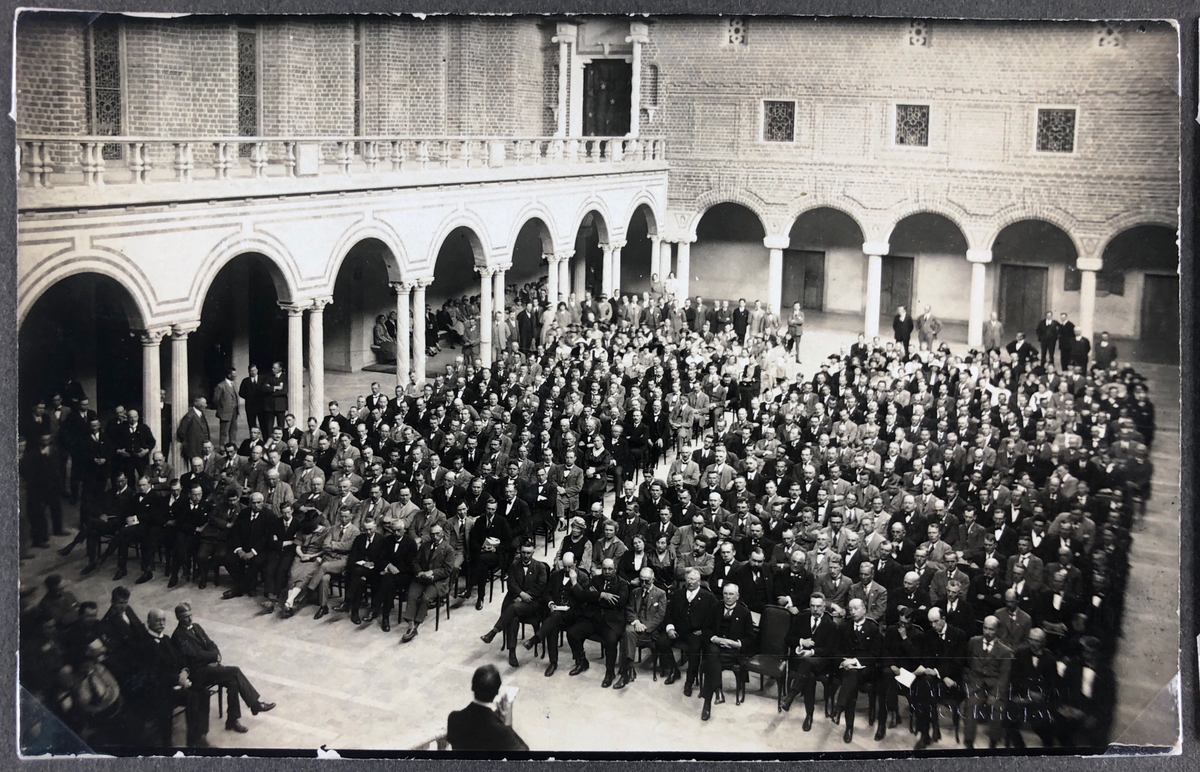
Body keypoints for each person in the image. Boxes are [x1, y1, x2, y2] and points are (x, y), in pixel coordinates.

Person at [171, 602, 274, 734]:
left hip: (210, 669)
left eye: (190, 615)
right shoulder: (178, 635)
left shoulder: (196, 627)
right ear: (178, 618)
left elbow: (211, 643)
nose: (190, 618)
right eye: (185, 616)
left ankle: (232, 720)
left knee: (233, 683)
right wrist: (214, 656)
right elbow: (196, 656)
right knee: (235, 671)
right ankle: (255, 705)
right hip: (198, 674)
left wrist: (216, 655)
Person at [480, 539, 549, 668]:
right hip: (518, 601)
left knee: (512, 608)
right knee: (513, 617)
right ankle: (512, 652)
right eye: (523, 552)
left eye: (528, 553)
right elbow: (511, 583)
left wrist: (523, 596)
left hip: (533, 603)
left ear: (533, 553)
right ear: (520, 552)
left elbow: (541, 587)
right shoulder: (514, 565)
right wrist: (520, 594)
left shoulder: (540, 567)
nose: (526, 555)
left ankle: (494, 632)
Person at [565, 557, 629, 687]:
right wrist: (602, 595)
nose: (607, 571)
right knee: (572, 633)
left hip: (611, 622)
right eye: (604, 568)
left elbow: (619, 602)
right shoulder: (595, 579)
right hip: (593, 618)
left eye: (610, 569)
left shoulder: (622, 583)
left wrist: (596, 596)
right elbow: (584, 596)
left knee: (611, 641)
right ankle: (581, 661)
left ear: (615, 569)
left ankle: (610, 672)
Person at [446, 664, 528, 751]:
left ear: (472, 687)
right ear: (496, 693)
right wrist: (507, 726)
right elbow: (523, 752)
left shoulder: (454, 718)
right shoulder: (502, 732)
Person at [699, 582, 751, 721]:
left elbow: (751, 637)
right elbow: (706, 629)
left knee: (711, 661)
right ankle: (713, 697)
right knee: (712, 651)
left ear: (737, 596)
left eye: (731, 594)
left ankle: (711, 698)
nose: (728, 597)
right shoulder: (715, 608)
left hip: (732, 652)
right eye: (725, 594)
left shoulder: (744, 612)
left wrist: (736, 643)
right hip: (716, 647)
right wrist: (715, 638)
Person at [400, 524, 455, 642]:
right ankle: (411, 625)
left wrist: (432, 572)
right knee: (412, 595)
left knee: (426, 598)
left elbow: (448, 570)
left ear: (442, 534)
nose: (434, 536)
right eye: (432, 534)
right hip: (422, 578)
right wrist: (419, 572)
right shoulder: (425, 546)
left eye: (437, 534)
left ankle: (417, 624)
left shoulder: (448, 549)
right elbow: (415, 561)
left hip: (437, 581)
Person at [175, 397, 211, 467]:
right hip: (193, 449)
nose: (206, 405)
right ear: (196, 404)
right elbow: (181, 432)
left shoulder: (201, 414)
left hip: (201, 448)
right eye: (203, 404)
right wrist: (189, 443)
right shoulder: (189, 416)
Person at [212, 368, 240, 448]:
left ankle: (233, 445)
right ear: (229, 375)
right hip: (225, 412)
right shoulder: (221, 386)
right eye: (233, 374)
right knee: (224, 431)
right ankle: (222, 447)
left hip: (234, 411)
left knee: (234, 429)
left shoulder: (234, 384)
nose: (235, 376)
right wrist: (222, 408)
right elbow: (215, 400)